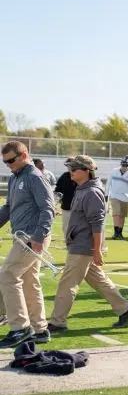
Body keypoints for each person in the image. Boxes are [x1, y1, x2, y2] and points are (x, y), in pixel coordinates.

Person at [48, 155, 128, 333]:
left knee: (67, 284)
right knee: (98, 280)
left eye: (74, 169)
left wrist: (97, 250)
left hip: (83, 246)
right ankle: (125, 309)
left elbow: (97, 224)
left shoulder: (91, 192)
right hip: (81, 244)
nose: (70, 172)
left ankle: (57, 322)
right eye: (70, 169)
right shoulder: (83, 188)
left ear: (87, 171)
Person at [0, 141, 55, 348]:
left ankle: (20, 328)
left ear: (24, 155)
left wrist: (39, 238)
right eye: (5, 162)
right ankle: (40, 330)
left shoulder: (34, 177)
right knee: (30, 281)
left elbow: (48, 209)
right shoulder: (16, 178)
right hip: (23, 235)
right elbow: (7, 207)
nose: (8, 165)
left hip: (32, 236)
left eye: (11, 160)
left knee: (8, 275)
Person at [106, 155, 128, 240]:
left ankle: (119, 233)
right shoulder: (114, 171)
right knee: (116, 213)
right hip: (114, 196)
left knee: (122, 216)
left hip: (125, 197)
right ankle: (116, 233)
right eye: (123, 164)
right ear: (121, 164)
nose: (124, 167)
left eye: (126, 165)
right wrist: (106, 194)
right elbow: (108, 182)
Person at [54, 157, 78, 238]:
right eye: (67, 165)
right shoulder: (64, 176)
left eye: (70, 165)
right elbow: (58, 191)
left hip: (80, 207)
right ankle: (69, 243)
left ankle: (77, 244)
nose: (69, 167)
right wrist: (58, 201)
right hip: (66, 206)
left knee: (78, 227)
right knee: (66, 227)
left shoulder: (82, 176)